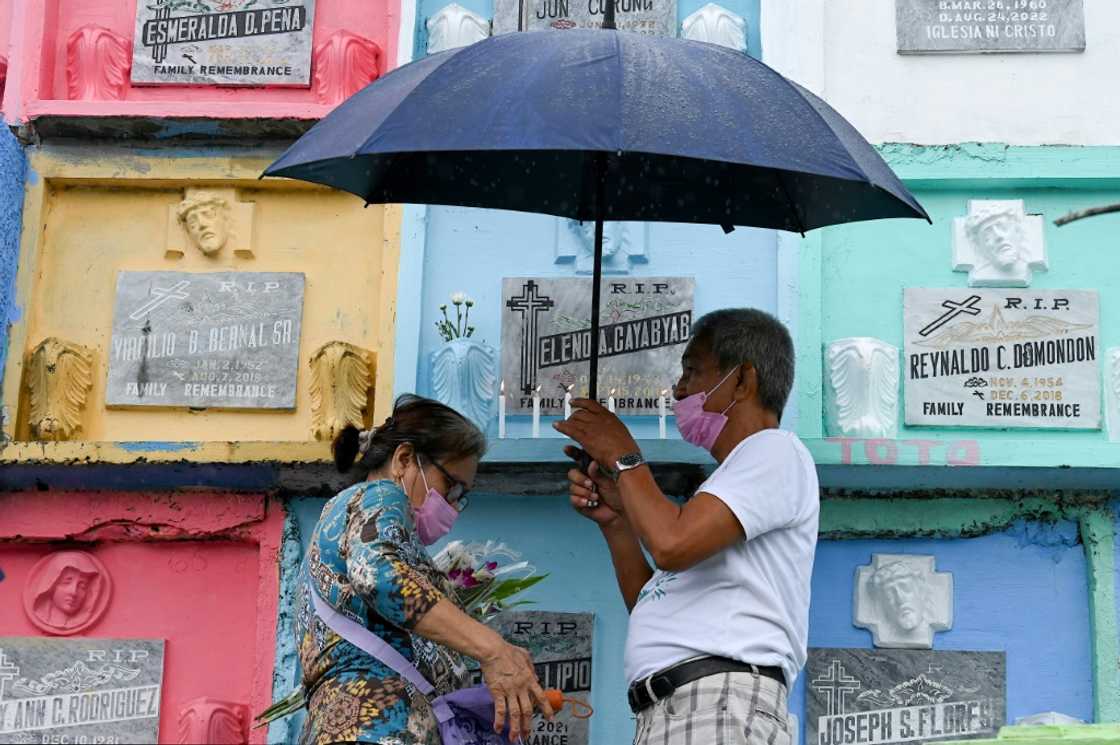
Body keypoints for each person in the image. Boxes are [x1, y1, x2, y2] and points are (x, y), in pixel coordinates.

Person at [555, 308, 818, 745]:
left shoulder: (774, 452)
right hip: (680, 708)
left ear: (742, 380)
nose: (679, 389)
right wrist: (617, 523)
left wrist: (624, 457)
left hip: (719, 704)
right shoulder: (729, 482)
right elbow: (655, 602)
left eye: (693, 371)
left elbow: (671, 544)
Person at [295, 394, 552, 745]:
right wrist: (493, 649)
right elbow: (379, 576)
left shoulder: (353, 518)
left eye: (463, 495)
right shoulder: (381, 495)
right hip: (372, 729)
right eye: (452, 485)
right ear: (404, 459)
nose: (453, 505)